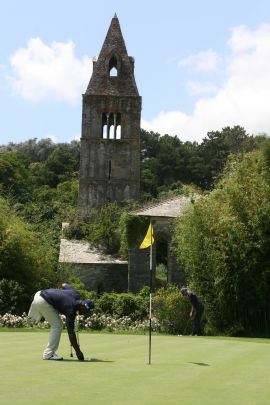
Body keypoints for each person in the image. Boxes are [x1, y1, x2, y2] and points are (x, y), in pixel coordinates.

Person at [28, 283, 94, 361]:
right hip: (43, 300)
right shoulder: (71, 310)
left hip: (39, 294)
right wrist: (78, 352)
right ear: (82, 306)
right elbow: (71, 333)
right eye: (86, 311)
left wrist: (59, 296)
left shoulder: (76, 293)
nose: (85, 314)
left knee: (55, 323)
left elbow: (64, 284)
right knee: (57, 325)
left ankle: (51, 352)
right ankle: (48, 354)